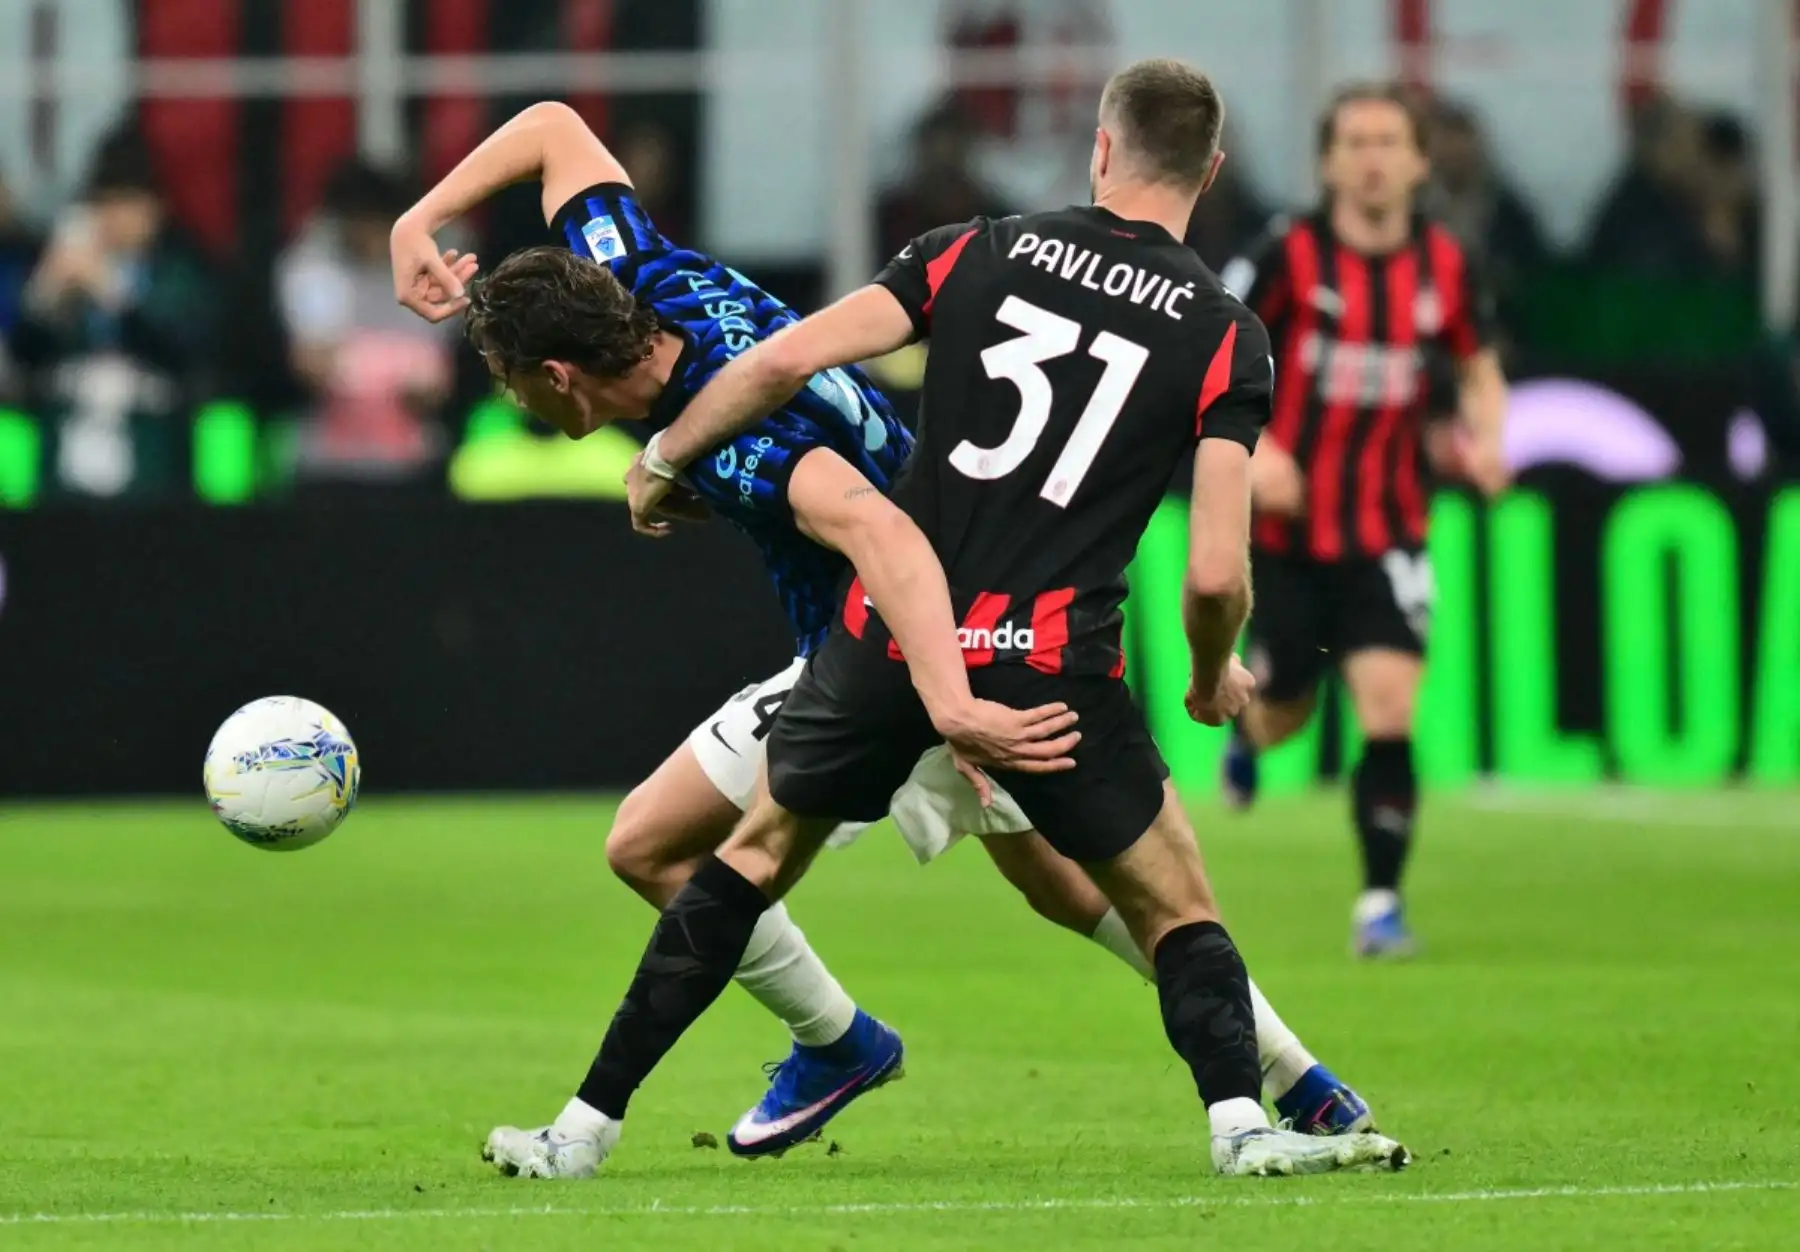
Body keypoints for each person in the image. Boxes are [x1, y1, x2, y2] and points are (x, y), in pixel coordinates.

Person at [390, 99, 1381, 1166]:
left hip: (900, 635)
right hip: (963, 614)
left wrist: (949, 697)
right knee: (1073, 885)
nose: (520, 408)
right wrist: (419, 222)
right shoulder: (641, 272)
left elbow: (881, 531)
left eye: (514, 390)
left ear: (555, 376)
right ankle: (1298, 1084)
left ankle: (830, 1045)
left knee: (659, 844)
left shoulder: (751, 447)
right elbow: (552, 129)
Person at [1216, 81, 1508, 958]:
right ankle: (1248, 734)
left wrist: (1490, 440)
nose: (1372, 159)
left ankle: (1380, 903)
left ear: (1419, 162)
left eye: (1388, 142)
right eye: (1355, 143)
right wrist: (1257, 451)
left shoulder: (1447, 264)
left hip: (1390, 528)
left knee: (1388, 706)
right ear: (1328, 162)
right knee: (1284, 716)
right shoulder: (1285, 255)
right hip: (1290, 537)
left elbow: (1478, 366)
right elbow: (1214, 353)